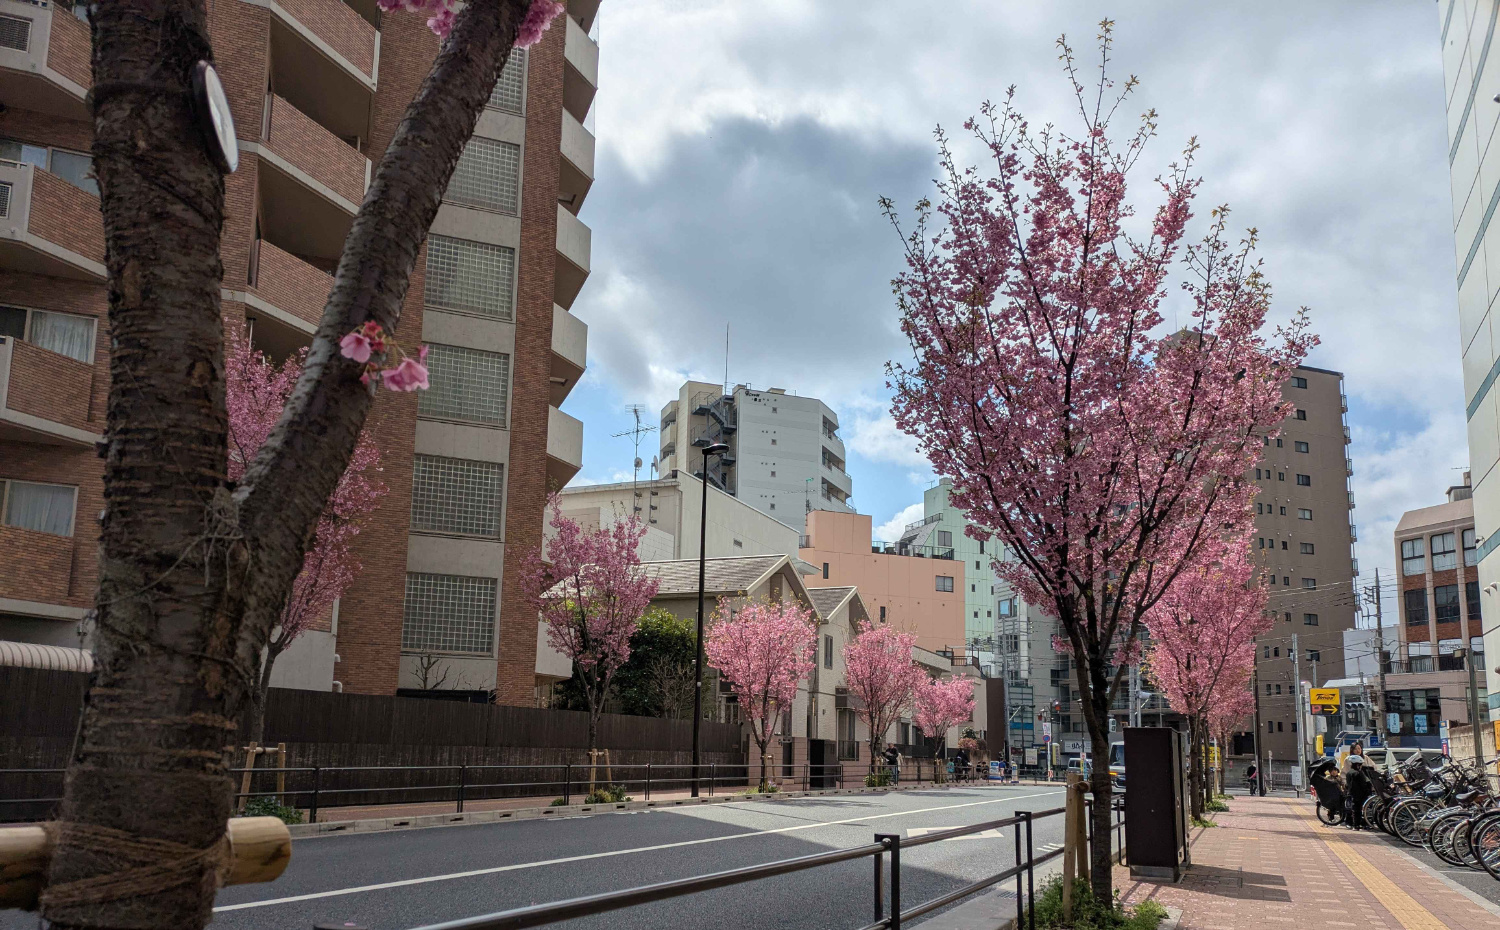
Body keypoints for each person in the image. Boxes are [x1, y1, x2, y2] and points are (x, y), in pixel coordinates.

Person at [1341, 741, 1372, 829]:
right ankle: (1351, 822)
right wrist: (1345, 784)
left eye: (1359, 748)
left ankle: (1362, 822)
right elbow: (1345, 772)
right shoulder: (1349, 759)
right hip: (1353, 785)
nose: (1358, 750)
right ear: (1352, 750)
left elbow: (1373, 767)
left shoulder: (1365, 758)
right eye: (1355, 749)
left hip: (1363, 783)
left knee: (1361, 805)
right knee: (1353, 805)